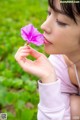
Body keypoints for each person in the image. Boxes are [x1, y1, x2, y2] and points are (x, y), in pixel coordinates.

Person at [15, 0, 80, 119]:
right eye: (49, 13)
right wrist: (49, 78)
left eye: (60, 21)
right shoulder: (58, 61)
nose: (44, 26)